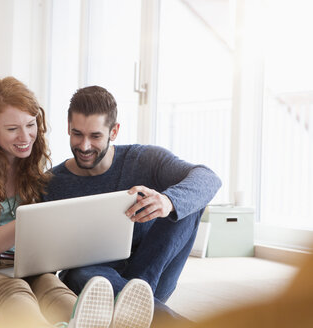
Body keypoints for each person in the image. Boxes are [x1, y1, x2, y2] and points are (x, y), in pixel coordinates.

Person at [0, 77, 155, 328]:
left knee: (53, 288)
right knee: (15, 292)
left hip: (19, 266)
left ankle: (105, 324)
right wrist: (33, 221)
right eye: (12, 128)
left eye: (30, 124)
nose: (25, 136)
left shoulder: (31, 164)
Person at [43, 86, 222, 326]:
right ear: (68, 128)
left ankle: (135, 298)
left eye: (95, 136)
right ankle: (151, 314)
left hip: (151, 272)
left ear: (114, 131)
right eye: (77, 134)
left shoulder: (143, 159)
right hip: (95, 282)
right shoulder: (51, 183)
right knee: (82, 274)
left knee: (186, 203)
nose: (84, 146)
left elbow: (209, 178)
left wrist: (168, 201)